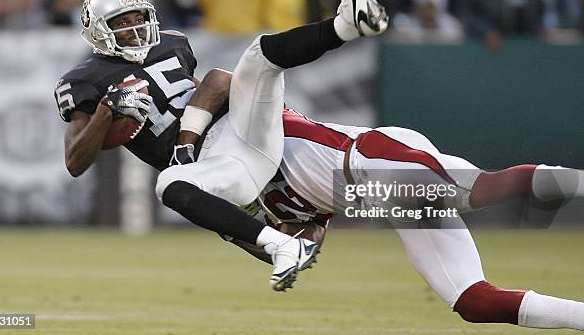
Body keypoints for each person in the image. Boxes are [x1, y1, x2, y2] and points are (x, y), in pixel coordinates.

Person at [54, 0, 389, 291]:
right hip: (207, 165)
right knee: (268, 234)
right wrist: (106, 111)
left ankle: (344, 24)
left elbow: (214, 86)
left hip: (220, 134)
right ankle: (286, 243)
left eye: (138, 17)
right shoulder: (85, 79)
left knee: (240, 68)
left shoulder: (172, 44)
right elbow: (75, 162)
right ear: (97, 30)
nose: (135, 28)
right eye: (122, 22)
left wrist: (259, 106)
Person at [182, 98, 584, 330]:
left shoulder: (250, 129)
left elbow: (221, 77)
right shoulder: (258, 197)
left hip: (370, 158)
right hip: (378, 195)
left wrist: (188, 137)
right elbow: (311, 234)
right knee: (472, 302)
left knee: (478, 190)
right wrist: (271, 246)